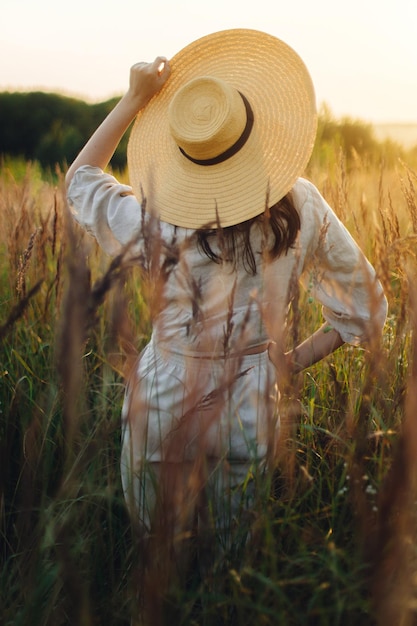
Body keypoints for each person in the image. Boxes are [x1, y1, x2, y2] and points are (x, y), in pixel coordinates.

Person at [65, 29, 387, 548]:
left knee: (159, 553)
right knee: (230, 564)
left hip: (163, 397)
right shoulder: (302, 205)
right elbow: (369, 311)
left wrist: (133, 98)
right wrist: (285, 362)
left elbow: (81, 180)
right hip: (251, 397)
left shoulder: (155, 217)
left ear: (183, 152)